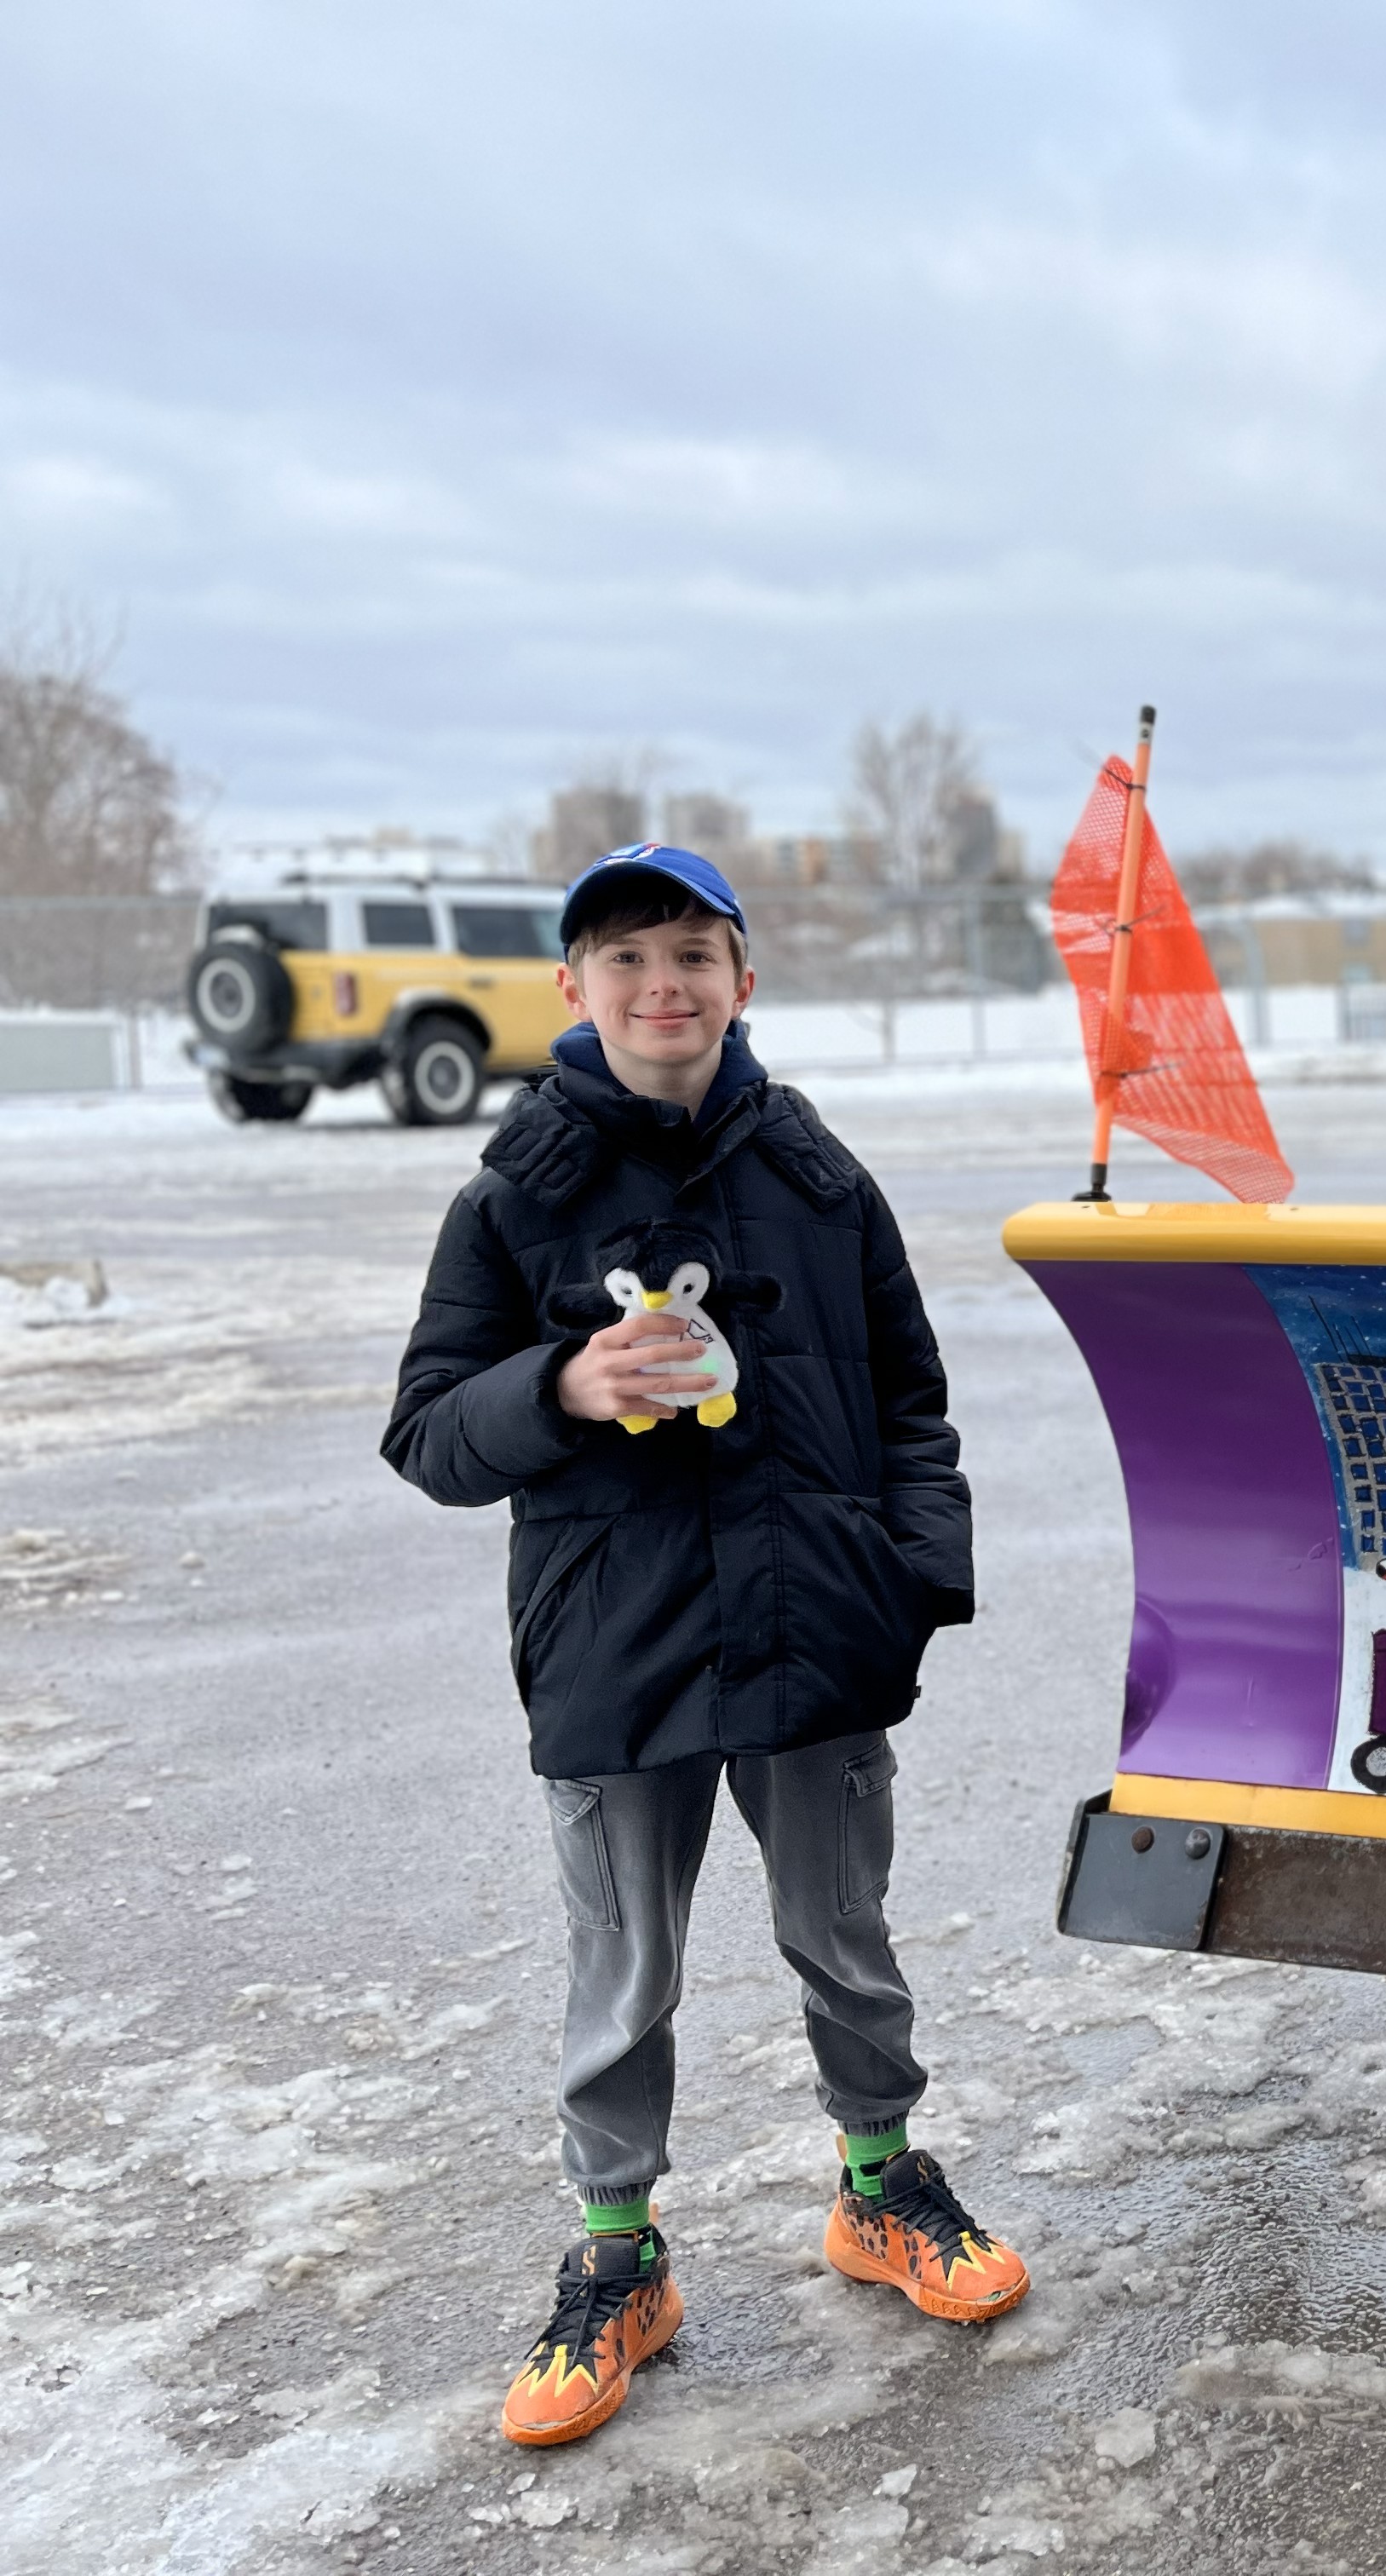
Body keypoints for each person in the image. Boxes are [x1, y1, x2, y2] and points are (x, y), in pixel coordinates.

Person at [382, 844, 1028, 2450]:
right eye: (625, 960)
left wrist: (908, 1582)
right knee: (626, 1970)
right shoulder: (516, 1193)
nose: (660, 987)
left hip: (817, 1631)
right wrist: (562, 1391)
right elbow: (424, 1433)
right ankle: (620, 2259)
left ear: (746, 980)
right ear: (574, 993)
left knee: (842, 1933)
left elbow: (911, 1405)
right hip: (616, 1648)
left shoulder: (821, 1181)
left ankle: (879, 2191)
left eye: (690, 955)